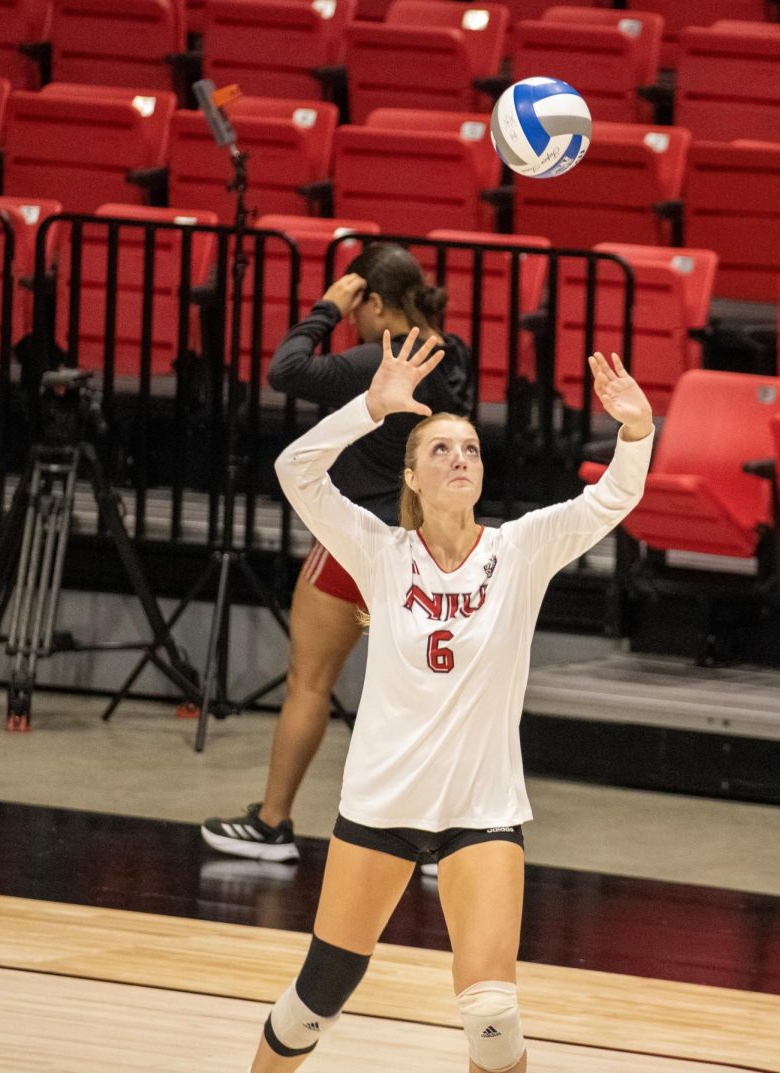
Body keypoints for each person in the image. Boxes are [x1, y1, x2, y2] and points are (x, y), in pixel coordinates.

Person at [246, 329, 653, 1073]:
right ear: (411, 475)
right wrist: (367, 407)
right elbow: (295, 470)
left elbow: (614, 498)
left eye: (470, 448)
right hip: (381, 806)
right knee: (317, 996)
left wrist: (636, 429)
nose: (460, 458)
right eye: (440, 449)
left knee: (493, 1017)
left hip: (481, 809)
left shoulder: (521, 549)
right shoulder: (377, 550)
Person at [201, 243, 472, 863]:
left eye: (359, 309)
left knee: (310, 681)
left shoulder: (375, 362)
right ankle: (442, 843)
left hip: (361, 542)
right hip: (434, 544)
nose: (354, 322)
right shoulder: (450, 356)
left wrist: (324, 308)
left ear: (374, 302)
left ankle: (272, 824)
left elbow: (285, 371)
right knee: (428, 694)